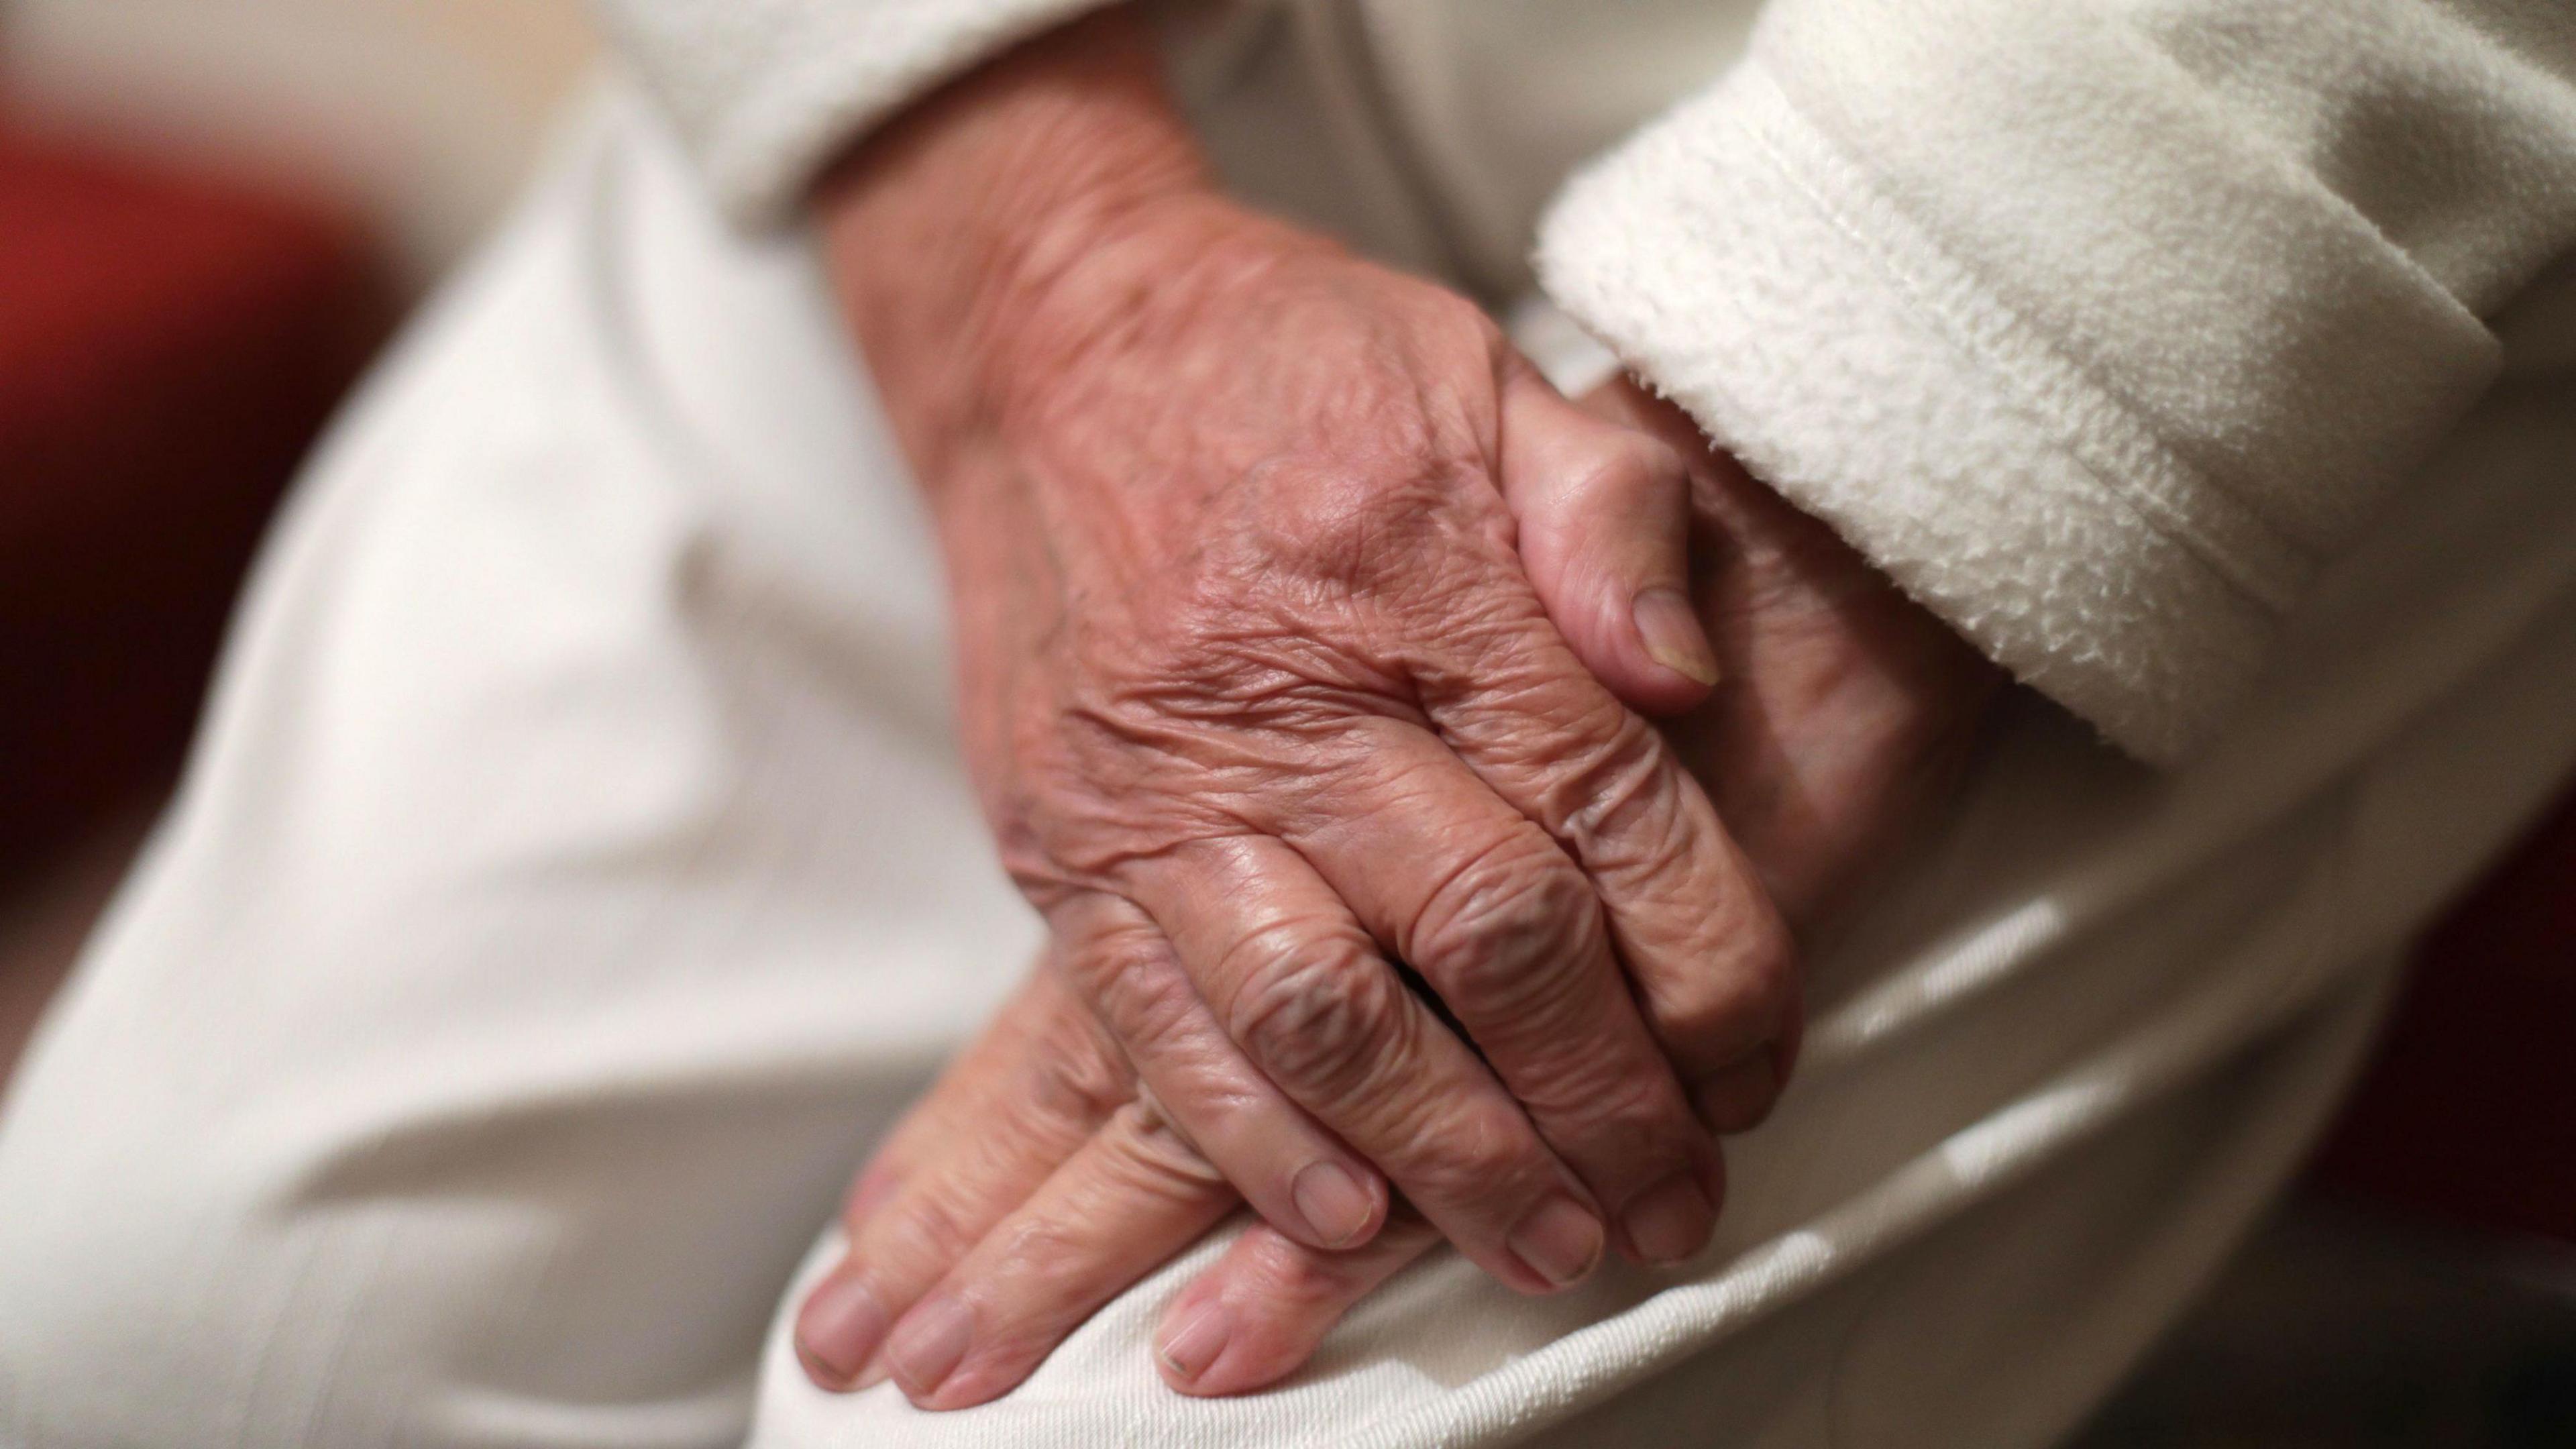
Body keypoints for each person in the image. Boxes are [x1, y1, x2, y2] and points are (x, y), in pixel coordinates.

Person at [3, 1, 2573, 1446]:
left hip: (2134, 118)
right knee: (176, 1342)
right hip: (1006, 75)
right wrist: (1032, 264)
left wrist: (1921, 417)